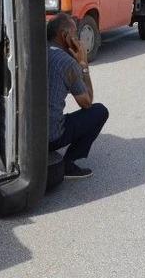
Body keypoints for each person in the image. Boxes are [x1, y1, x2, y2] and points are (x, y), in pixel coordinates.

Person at [46, 13, 109, 178]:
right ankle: (68, 164)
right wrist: (83, 63)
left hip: (26, 134)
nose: (78, 40)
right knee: (99, 111)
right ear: (65, 36)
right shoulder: (67, 62)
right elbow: (87, 102)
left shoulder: (37, 52)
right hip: (50, 137)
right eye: (75, 35)